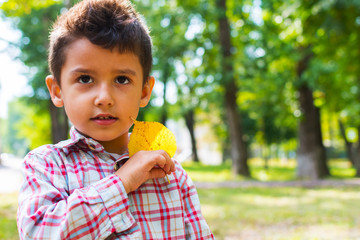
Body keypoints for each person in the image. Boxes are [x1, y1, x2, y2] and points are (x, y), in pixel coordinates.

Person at [16, 0, 214, 239]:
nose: (104, 98)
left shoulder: (171, 174)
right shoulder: (46, 166)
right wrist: (122, 182)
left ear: (144, 91)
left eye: (121, 80)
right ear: (57, 90)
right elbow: (39, 232)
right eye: (85, 79)